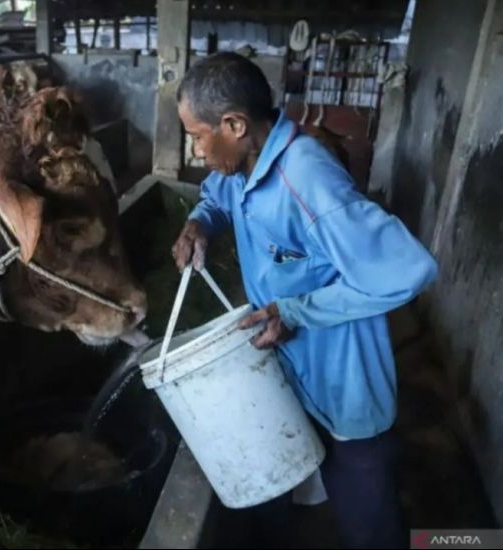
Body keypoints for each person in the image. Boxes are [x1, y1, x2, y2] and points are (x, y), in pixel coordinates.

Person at [171, 52, 438, 549]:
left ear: (234, 125)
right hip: (289, 369)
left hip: (342, 378)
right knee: (284, 483)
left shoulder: (308, 178)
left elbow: (408, 270)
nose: (196, 150)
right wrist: (199, 224)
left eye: (197, 136)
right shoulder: (238, 168)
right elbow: (215, 198)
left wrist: (295, 311)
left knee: (368, 520)